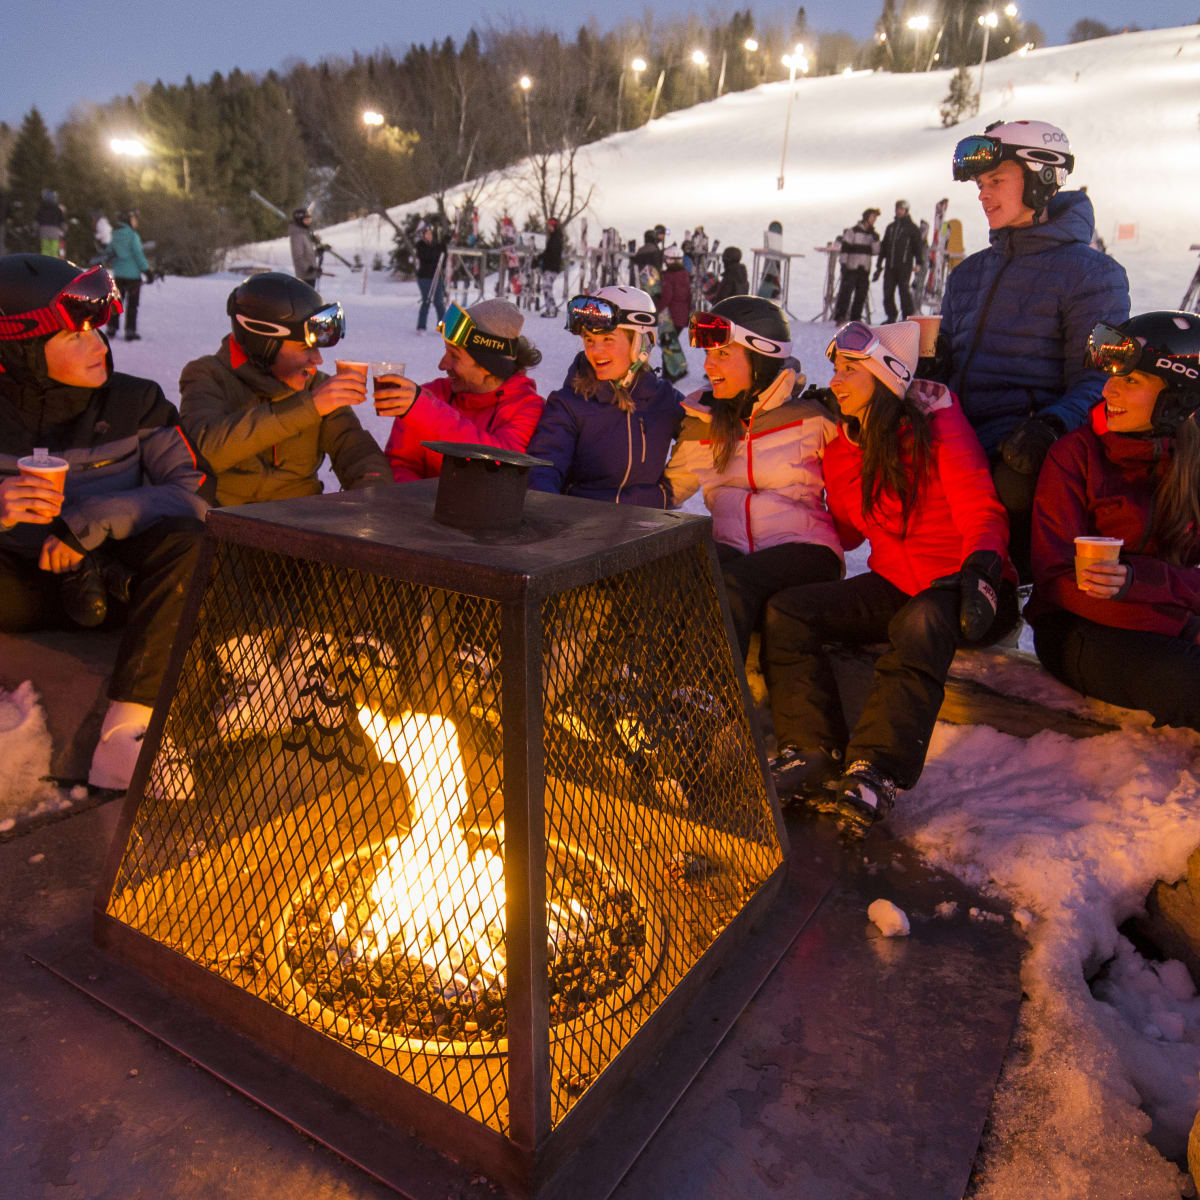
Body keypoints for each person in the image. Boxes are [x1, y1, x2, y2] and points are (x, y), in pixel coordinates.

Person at [763, 320, 1018, 835]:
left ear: (885, 376)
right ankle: (811, 749)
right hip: (896, 584)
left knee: (920, 623)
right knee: (788, 611)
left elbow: (980, 507)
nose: (835, 379)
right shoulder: (843, 445)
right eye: (835, 367)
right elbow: (849, 532)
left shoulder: (936, 425)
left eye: (850, 369)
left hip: (963, 585)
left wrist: (984, 568)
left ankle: (875, 770)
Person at [0, 254, 209, 790]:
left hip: (119, 580)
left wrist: (87, 521)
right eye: (75, 336)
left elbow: (193, 493)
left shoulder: (137, 400)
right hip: (18, 587)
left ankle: (125, 737)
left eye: (98, 330)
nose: (99, 347)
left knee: (188, 541)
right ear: (20, 348)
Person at [939, 119, 1130, 578]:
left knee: (1012, 482)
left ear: (1043, 178)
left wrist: (1050, 425)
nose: (984, 195)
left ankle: (1005, 592)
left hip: (1021, 446)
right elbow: (943, 367)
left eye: (997, 181)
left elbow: (1101, 380)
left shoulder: (1092, 274)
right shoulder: (967, 274)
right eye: (981, 184)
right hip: (956, 437)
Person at [1027, 311, 1200, 730]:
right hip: (1079, 630)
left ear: (1176, 398)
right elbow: (1055, 578)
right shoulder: (1076, 455)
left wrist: (1148, 585)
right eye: (1112, 377)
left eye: (1131, 380)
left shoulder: (1193, 463)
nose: (1108, 389)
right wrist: (1178, 621)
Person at [664, 296, 843, 659]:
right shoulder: (704, 420)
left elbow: (864, 471)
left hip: (804, 548)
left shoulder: (813, 417)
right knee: (672, 574)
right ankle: (636, 684)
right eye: (708, 355)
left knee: (730, 585)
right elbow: (667, 492)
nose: (709, 366)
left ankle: (707, 698)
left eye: (723, 355)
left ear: (760, 357)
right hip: (732, 549)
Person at [178, 273, 389, 506]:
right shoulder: (207, 375)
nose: (317, 360)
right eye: (305, 348)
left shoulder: (316, 385)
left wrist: (373, 498)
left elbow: (358, 453)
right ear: (264, 344)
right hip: (228, 526)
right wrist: (309, 407)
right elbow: (202, 451)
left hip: (299, 526)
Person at [527, 286, 682, 505]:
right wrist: (545, 506)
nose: (595, 351)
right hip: (585, 524)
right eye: (589, 340)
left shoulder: (663, 398)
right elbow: (545, 463)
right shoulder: (570, 404)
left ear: (641, 343)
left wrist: (667, 493)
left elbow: (705, 432)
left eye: (608, 339)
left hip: (645, 527)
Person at [380, 298, 544, 481]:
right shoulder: (432, 395)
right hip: (420, 508)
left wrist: (424, 411)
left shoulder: (527, 408)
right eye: (446, 351)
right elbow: (400, 465)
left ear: (488, 366)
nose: (442, 365)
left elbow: (503, 464)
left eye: (454, 356)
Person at [103, 210, 152, 342]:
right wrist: (147, 271)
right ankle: (130, 331)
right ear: (129, 220)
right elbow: (138, 255)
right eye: (135, 219)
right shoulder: (132, 235)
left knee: (117, 303)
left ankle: (112, 328)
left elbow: (109, 252)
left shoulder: (114, 235)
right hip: (133, 276)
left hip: (119, 275)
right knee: (132, 305)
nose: (136, 222)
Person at [873, 200, 923, 322]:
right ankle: (891, 316)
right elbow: (884, 247)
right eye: (897, 209)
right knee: (887, 291)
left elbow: (918, 246)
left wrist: (919, 262)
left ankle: (907, 317)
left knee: (903, 291)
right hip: (890, 266)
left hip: (904, 266)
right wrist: (879, 264)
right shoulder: (890, 227)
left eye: (901, 209)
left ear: (906, 210)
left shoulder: (912, 228)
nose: (898, 211)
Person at [833, 208, 880, 323]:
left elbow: (875, 252)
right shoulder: (853, 231)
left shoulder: (873, 235)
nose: (874, 220)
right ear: (866, 217)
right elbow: (845, 249)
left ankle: (856, 317)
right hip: (851, 267)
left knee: (861, 293)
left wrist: (875, 240)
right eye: (872, 217)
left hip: (864, 268)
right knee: (846, 292)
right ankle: (840, 316)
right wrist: (843, 264)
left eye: (875, 218)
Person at [657, 244, 690, 382]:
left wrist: (655, 310)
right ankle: (675, 372)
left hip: (669, 316)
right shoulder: (685, 275)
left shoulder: (668, 277)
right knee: (670, 344)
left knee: (667, 345)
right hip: (681, 316)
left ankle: (670, 374)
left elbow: (666, 297)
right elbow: (689, 297)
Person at [414, 223, 447, 333]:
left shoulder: (438, 245)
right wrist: (438, 251)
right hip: (424, 277)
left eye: (430, 234)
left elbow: (443, 260)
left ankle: (443, 326)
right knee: (426, 300)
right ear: (423, 235)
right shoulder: (420, 246)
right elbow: (427, 257)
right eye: (427, 234)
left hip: (437, 276)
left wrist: (444, 248)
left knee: (439, 302)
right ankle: (421, 326)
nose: (429, 236)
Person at [535, 217, 564, 318]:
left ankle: (551, 310)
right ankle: (551, 308)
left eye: (551, 225)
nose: (549, 227)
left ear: (555, 226)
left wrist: (541, 259)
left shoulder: (555, 239)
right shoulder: (553, 238)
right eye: (549, 225)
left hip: (552, 267)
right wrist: (539, 258)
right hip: (550, 267)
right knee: (547, 287)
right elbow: (547, 253)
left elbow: (551, 254)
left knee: (547, 287)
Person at [289, 208, 319, 287]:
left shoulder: (305, 234)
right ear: (299, 220)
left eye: (309, 219)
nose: (308, 222)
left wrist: (317, 252)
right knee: (306, 298)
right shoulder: (297, 235)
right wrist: (308, 268)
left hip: (310, 275)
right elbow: (298, 255)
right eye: (306, 220)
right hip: (304, 276)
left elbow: (307, 253)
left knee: (311, 298)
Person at [35, 190, 66, 259]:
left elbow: (37, 218)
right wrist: (63, 230)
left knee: (45, 249)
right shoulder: (57, 208)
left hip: (44, 229)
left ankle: (45, 262)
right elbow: (61, 220)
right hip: (54, 230)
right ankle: (54, 262)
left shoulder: (42, 207)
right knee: (54, 249)